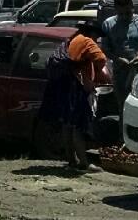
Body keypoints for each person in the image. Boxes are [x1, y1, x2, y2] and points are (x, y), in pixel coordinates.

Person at [39, 17, 109, 169]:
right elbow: (101, 58)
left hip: (62, 85)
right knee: (78, 125)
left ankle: (71, 160)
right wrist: (100, 74)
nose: (97, 39)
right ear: (92, 33)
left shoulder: (72, 40)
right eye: (97, 35)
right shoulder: (87, 41)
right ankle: (84, 162)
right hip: (74, 88)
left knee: (67, 124)